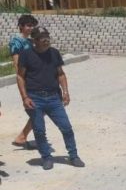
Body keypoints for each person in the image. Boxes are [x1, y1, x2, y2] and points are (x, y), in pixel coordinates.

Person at [17, 27, 85, 171]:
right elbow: (20, 76)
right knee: (39, 131)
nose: (46, 39)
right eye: (42, 37)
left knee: (66, 128)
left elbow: (60, 74)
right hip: (35, 98)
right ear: (35, 40)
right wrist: (25, 97)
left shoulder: (54, 53)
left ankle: (74, 156)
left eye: (47, 36)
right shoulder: (26, 54)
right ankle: (46, 157)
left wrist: (65, 92)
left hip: (54, 97)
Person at [9, 14, 38, 150]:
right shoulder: (17, 41)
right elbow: (16, 63)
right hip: (27, 79)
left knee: (39, 109)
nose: (30, 28)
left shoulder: (31, 41)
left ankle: (24, 136)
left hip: (36, 78)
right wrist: (24, 80)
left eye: (32, 25)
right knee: (36, 109)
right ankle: (22, 136)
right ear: (21, 26)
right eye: (28, 25)